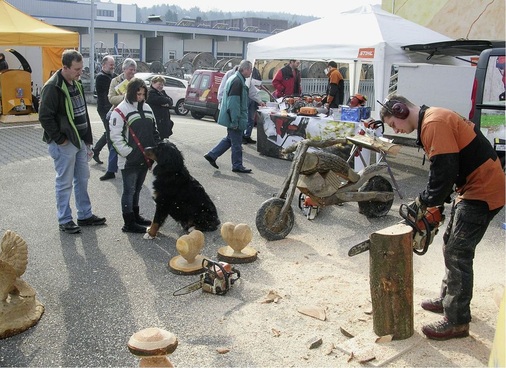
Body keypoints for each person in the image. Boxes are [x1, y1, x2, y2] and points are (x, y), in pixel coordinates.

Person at [379, 94, 505, 341]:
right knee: (450, 244)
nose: (397, 130)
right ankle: (449, 298)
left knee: (458, 252)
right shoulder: (432, 119)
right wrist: (435, 203)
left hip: (483, 189)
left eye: (394, 124)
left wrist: (425, 202)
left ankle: (457, 321)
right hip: (470, 187)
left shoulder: (434, 122)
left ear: (401, 110)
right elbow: (448, 169)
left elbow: (444, 172)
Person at [38, 49, 106, 234]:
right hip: (65, 144)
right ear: (64, 67)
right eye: (77, 69)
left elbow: (82, 112)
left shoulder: (76, 84)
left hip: (79, 142)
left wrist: (87, 141)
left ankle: (84, 215)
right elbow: (44, 116)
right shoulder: (52, 87)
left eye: (81, 68)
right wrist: (60, 140)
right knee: (64, 183)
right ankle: (65, 219)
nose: (80, 72)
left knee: (82, 179)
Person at [109, 78, 160, 233]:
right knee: (129, 190)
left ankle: (136, 216)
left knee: (137, 189)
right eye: (138, 93)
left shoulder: (148, 108)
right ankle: (128, 222)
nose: (141, 97)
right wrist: (129, 154)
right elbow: (115, 136)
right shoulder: (120, 110)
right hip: (129, 160)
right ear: (131, 92)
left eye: (143, 94)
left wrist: (156, 150)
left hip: (145, 158)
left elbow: (154, 130)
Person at [204, 60, 253, 173]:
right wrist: (235, 121)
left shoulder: (236, 79)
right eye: (250, 70)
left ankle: (212, 155)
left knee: (230, 139)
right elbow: (234, 104)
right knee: (236, 144)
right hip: (235, 118)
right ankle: (237, 165)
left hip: (234, 117)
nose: (251, 72)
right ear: (245, 69)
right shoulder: (237, 81)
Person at [100, 58, 137, 181]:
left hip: (133, 115)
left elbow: (143, 97)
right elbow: (111, 98)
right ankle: (111, 170)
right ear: (124, 69)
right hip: (119, 114)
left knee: (133, 142)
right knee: (115, 142)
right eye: (130, 70)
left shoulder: (137, 81)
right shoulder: (115, 81)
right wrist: (125, 97)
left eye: (134, 70)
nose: (132, 72)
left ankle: (132, 170)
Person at [92, 55, 117, 165]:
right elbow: (107, 94)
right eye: (111, 65)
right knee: (110, 133)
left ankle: (95, 150)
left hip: (112, 108)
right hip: (104, 109)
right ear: (104, 65)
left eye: (113, 65)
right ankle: (113, 162)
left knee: (109, 131)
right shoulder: (101, 77)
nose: (113, 67)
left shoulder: (113, 76)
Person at [146, 75, 174, 139]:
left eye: (162, 85)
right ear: (153, 83)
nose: (161, 86)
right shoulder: (150, 93)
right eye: (159, 84)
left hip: (164, 123)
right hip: (157, 123)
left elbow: (170, 101)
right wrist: (165, 102)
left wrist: (166, 103)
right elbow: (160, 100)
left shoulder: (162, 92)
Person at [243, 67, 266, 144]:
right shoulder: (248, 70)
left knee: (251, 118)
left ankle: (247, 135)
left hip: (254, 97)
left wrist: (259, 101)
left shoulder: (256, 71)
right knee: (245, 117)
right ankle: (243, 136)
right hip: (248, 97)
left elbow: (253, 90)